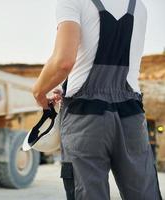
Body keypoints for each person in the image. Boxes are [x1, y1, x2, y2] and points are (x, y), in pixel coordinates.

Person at [32, 0, 163, 199]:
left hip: (86, 115)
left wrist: (39, 92)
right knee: (144, 193)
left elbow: (63, 62)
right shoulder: (139, 6)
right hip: (131, 114)